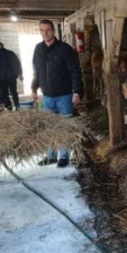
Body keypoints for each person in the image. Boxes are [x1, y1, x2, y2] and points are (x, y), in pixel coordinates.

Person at [31, 19, 83, 168]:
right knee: (49, 127)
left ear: (54, 31)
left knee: (63, 127)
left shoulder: (65, 49)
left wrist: (76, 92)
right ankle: (51, 155)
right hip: (47, 96)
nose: (44, 33)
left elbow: (75, 71)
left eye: (47, 30)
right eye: (41, 30)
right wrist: (34, 88)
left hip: (64, 95)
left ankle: (64, 156)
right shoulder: (38, 49)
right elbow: (36, 70)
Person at [0, 41, 22, 112]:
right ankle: (17, 105)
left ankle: (8, 107)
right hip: (12, 76)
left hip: (2, 78)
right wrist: (20, 73)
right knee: (14, 91)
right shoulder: (11, 53)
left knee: (4, 93)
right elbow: (17, 63)